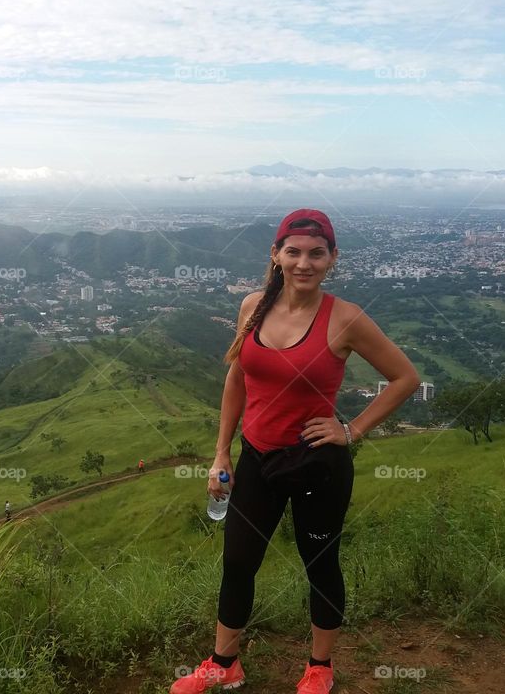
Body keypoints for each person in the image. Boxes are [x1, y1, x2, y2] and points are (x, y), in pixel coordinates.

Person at [170, 209, 420, 694]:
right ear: (276, 255)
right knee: (238, 561)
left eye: (316, 253)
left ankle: (319, 666)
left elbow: (405, 377)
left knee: (320, 563)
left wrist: (352, 430)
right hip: (258, 457)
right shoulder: (252, 307)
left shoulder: (345, 319)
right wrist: (221, 452)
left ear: (332, 259)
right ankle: (225, 662)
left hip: (316, 463)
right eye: (294, 252)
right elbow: (237, 378)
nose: (304, 263)